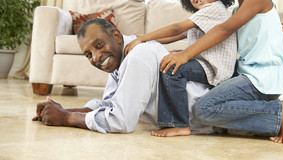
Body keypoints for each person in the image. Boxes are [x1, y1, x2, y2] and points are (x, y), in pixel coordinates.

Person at [158, 0, 283, 143]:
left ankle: (278, 111)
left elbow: (223, 31)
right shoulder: (235, 11)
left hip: (263, 79)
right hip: (246, 73)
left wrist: (185, 55)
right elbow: (219, 39)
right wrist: (178, 50)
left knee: (204, 110)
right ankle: (178, 122)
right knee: (184, 75)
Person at [32, 18, 213, 134]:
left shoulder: (138, 56)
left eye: (99, 44)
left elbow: (122, 121)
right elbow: (111, 104)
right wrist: (64, 110)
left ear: (117, 37)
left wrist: (65, 119)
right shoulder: (120, 58)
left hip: (210, 119)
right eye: (88, 54)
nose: (96, 57)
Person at [124, 0, 237, 137]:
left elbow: (176, 28)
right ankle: (150, 114)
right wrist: (144, 38)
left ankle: (179, 124)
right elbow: (175, 36)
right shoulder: (203, 14)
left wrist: (143, 38)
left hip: (214, 68)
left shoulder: (214, 9)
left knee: (171, 68)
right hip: (205, 64)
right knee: (168, 60)